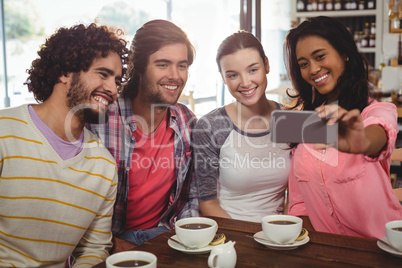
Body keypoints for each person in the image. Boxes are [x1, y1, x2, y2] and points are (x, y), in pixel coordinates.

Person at [0, 23, 129, 267]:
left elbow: (93, 250)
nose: (113, 89)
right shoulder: (4, 132)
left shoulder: (103, 165)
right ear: (65, 72)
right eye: (103, 74)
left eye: (117, 80)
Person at [284, 16, 402, 239]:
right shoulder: (302, 123)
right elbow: (299, 202)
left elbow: (378, 135)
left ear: (345, 53)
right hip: (327, 251)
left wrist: (361, 142)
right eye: (303, 64)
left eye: (320, 56)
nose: (313, 69)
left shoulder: (375, 111)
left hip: (382, 247)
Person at [86, 19, 199, 245]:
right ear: (138, 67)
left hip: (165, 234)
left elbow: (191, 196)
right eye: (163, 64)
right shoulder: (101, 120)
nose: (175, 76)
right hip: (109, 241)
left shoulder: (187, 121)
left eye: (182, 65)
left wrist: (188, 237)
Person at [192, 31, 291, 223]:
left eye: (253, 70)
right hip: (230, 235)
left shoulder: (290, 119)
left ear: (267, 65)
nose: (245, 83)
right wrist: (253, 237)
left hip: (280, 235)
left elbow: (298, 192)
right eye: (233, 75)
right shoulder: (210, 126)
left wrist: (284, 229)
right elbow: (208, 204)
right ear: (223, 77)